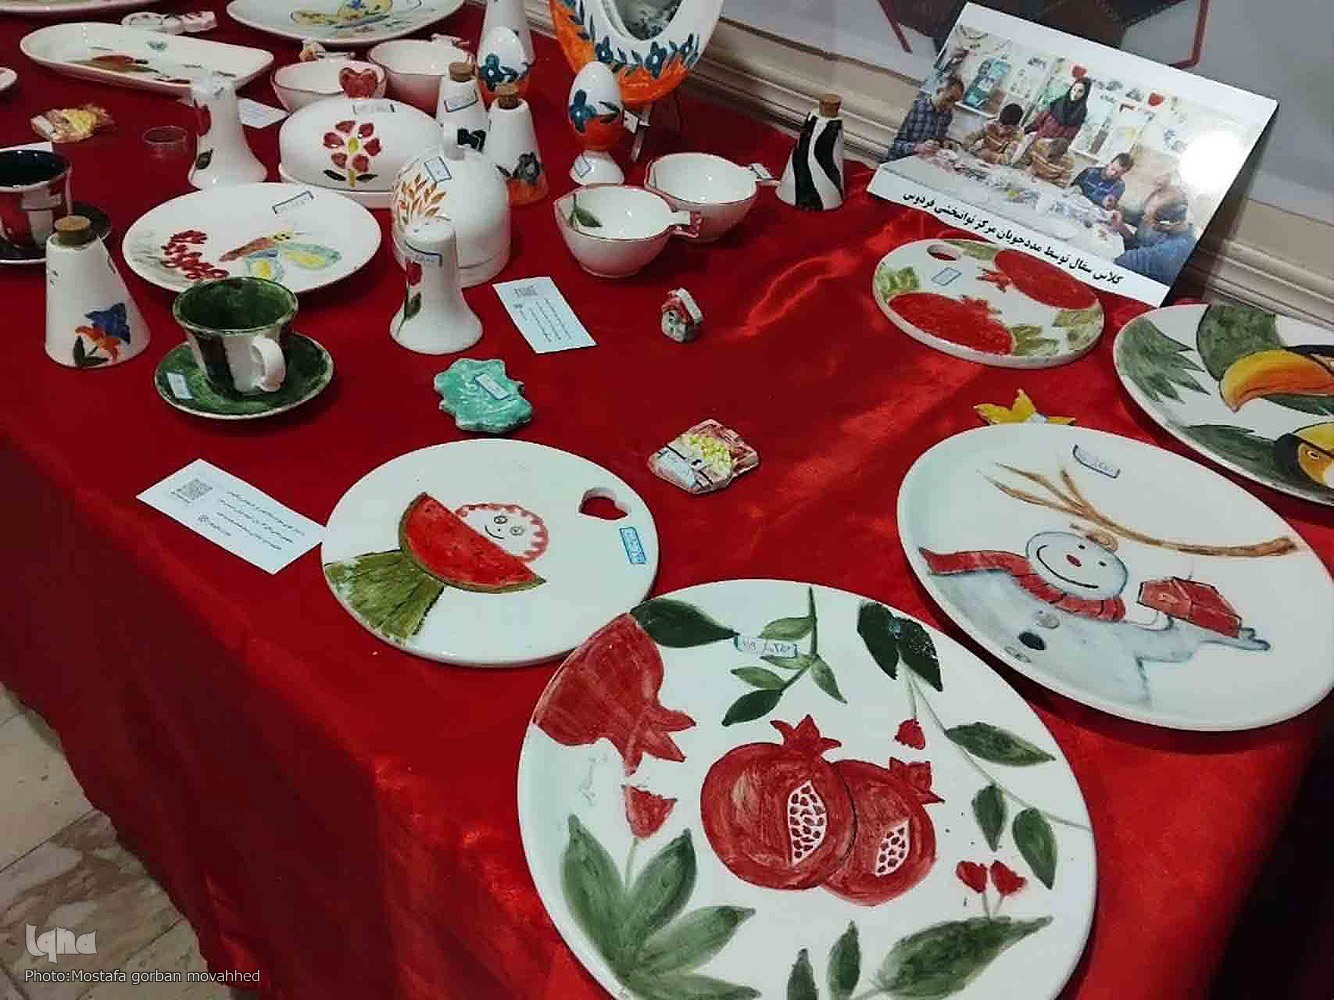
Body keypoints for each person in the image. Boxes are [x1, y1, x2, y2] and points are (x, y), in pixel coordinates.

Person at [1114, 197, 1196, 284]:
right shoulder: (1178, 233)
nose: (1144, 218)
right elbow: (1144, 253)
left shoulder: (1172, 250)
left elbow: (1124, 261)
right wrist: (1122, 229)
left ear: (1168, 224)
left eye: (1149, 217)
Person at [886, 76, 965, 161]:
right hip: (899, 160)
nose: (950, 106)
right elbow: (891, 143)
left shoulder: (947, 115)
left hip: (924, 160)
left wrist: (945, 143)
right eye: (949, 99)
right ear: (939, 91)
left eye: (954, 102)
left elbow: (938, 139)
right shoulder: (913, 108)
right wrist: (917, 147)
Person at [1025, 78, 1093, 143]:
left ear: (1085, 94)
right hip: (1037, 142)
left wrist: (1051, 142)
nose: (1075, 93)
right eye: (1074, 89)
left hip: (1053, 148)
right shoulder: (1057, 103)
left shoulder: (1081, 113)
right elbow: (1038, 121)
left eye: (1080, 91)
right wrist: (1026, 131)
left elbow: (1068, 139)